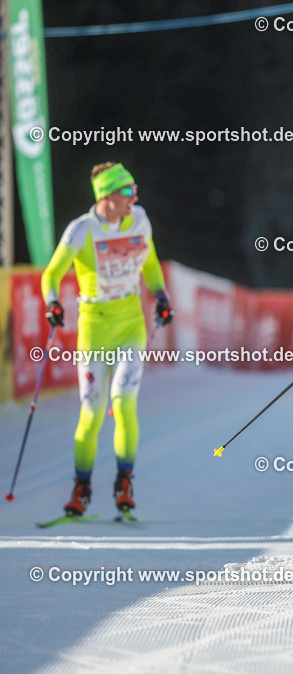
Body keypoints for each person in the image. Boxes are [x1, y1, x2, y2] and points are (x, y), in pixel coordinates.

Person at [41, 162, 173, 517]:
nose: (135, 197)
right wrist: (52, 303)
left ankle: (124, 481)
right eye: (127, 191)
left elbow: (150, 263)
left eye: (134, 189)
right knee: (92, 415)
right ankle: (81, 486)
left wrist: (161, 296)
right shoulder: (81, 230)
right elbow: (52, 273)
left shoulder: (140, 221)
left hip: (130, 323)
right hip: (94, 328)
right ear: (108, 196)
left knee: (124, 404)